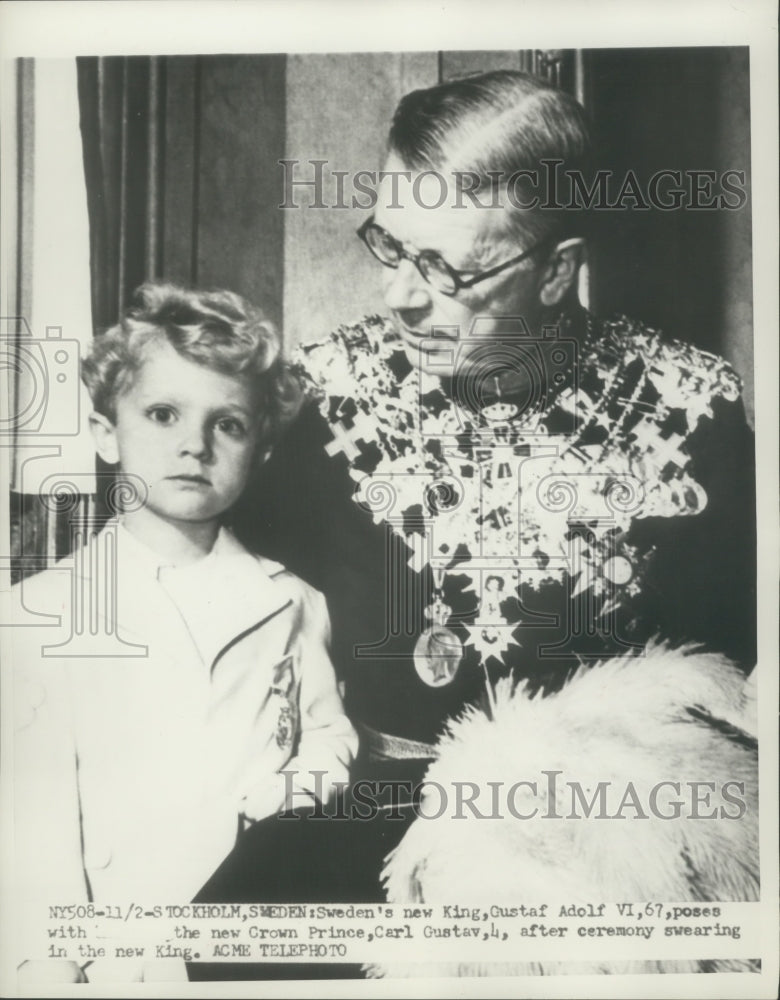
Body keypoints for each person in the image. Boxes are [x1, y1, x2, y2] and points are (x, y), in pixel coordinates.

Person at [230, 68, 756, 915]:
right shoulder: (322, 400)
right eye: (391, 245)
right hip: (367, 840)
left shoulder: (692, 415)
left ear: (557, 272)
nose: (398, 294)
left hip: (606, 857)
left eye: (442, 269)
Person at [11, 282, 357, 984]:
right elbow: (28, 821)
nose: (193, 445)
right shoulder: (38, 613)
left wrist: (295, 788)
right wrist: (49, 968)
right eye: (163, 414)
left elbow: (330, 732)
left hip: (247, 931)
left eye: (226, 424)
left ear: (259, 451)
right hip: (110, 957)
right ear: (107, 434)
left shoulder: (291, 601)